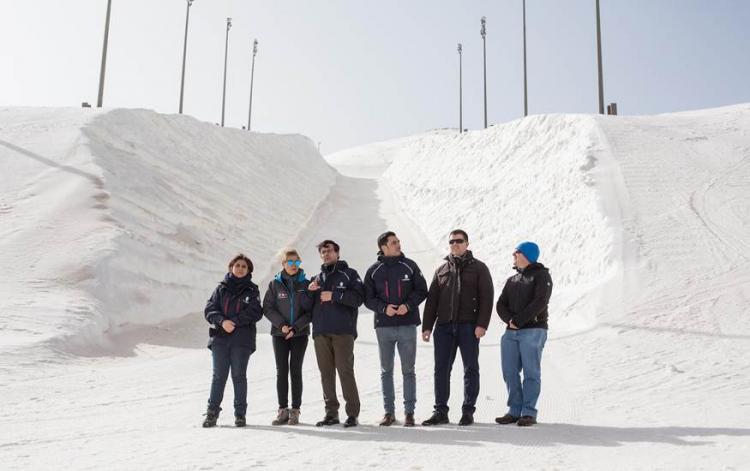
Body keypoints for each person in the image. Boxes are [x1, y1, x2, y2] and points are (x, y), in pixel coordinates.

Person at [421, 229, 494, 426]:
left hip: (468, 327)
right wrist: (427, 326)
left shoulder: (479, 269)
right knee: (441, 370)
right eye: (452, 241)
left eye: (459, 241)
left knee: (471, 368)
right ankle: (440, 411)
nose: (455, 244)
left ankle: (468, 411)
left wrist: (481, 324)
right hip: (444, 327)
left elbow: (487, 299)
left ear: (467, 243)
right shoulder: (442, 270)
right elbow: (432, 301)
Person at [364, 231, 428, 427]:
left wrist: (407, 306)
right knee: (386, 370)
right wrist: (384, 308)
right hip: (384, 327)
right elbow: (368, 298)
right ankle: (389, 413)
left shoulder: (410, 266)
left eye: (398, 241)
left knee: (408, 370)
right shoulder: (374, 270)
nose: (398, 244)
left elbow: (422, 290)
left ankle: (409, 413)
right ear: (383, 247)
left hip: (407, 325)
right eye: (394, 242)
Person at [307, 239, 365, 428]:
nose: (326, 254)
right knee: (326, 374)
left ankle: (352, 414)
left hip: (343, 331)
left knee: (345, 371)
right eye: (323, 252)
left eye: (329, 251)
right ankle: (331, 413)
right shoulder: (316, 278)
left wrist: (335, 296)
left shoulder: (350, 274)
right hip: (320, 332)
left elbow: (358, 299)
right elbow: (307, 307)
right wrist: (309, 292)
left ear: (337, 253)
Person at [202, 253, 263, 428]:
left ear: (248, 270)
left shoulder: (252, 290)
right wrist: (222, 321)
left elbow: (255, 312)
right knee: (218, 376)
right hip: (220, 339)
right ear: (231, 267)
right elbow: (209, 308)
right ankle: (212, 413)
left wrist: (234, 322)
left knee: (238, 376)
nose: (240, 268)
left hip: (242, 340)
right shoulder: (221, 288)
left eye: (244, 266)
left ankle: (240, 415)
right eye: (237, 265)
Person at [495, 241, 553, 427]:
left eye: (516, 253)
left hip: (533, 330)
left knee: (531, 372)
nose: (513, 256)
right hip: (511, 332)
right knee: (509, 371)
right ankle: (514, 411)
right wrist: (510, 321)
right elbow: (500, 304)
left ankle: (528, 412)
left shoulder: (542, 275)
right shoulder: (512, 280)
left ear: (527, 255)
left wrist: (518, 320)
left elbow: (540, 302)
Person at [263, 248, 313, 426]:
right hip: (279, 334)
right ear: (283, 264)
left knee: (296, 370)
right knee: (281, 371)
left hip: (300, 334)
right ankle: (282, 410)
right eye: (290, 262)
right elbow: (268, 308)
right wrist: (282, 326)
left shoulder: (307, 284)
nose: (293, 265)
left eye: (296, 262)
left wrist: (296, 327)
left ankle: (295, 410)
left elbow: (310, 311)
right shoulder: (275, 284)